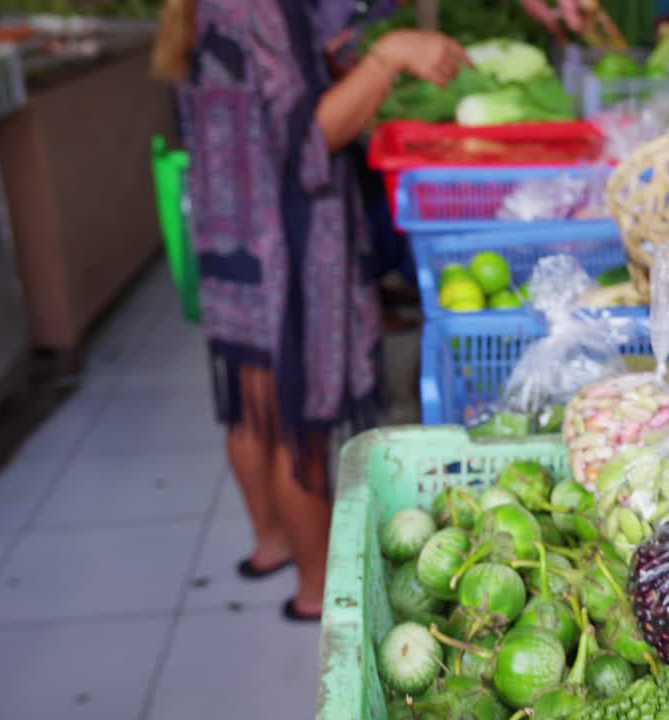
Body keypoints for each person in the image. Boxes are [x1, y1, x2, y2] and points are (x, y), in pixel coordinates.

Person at [152, 0, 466, 622]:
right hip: (284, 247)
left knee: (253, 399)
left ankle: (271, 544)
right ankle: (317, 590)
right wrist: (388, 58)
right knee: (301, 423)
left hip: (232, 232)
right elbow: (307, 139)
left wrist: (333, 62)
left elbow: (266, 98)